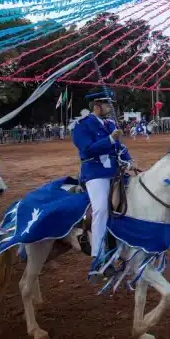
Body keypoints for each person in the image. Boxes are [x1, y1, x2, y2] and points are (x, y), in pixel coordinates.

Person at [72, 90, 132, 267]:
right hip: (95, 172)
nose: (110, 108)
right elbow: (87, 149)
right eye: (107, 104)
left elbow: (120, 147)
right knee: (101, 209)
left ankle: (124, 245)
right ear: (97, 106)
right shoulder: (82, 125)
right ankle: (98, 255)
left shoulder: (111, 124)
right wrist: (110, 140)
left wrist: (128, 160)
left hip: (115, 171)